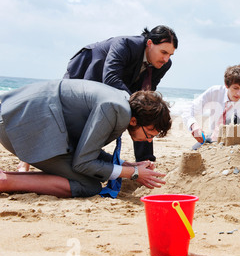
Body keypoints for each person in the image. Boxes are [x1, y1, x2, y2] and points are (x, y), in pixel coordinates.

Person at [0, 79, 172, 198]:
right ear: (135, 121)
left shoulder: (122, 102)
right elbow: (82, 162)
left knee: (91, 177)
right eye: (150, 134)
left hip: (25, 117)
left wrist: (126, 165)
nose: (149, 140)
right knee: (88, 185)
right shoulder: (114, 109)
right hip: (21, 126)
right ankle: (6, 181)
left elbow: (88, 149)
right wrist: (133, 174)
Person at [64, 25, 178, 163]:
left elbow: (146, 102)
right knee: (71, 118)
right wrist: (135, 104)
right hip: (89, 70)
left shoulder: (164, 64)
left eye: (170, 55)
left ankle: (145, 159)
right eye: (163, 52)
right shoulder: (125, 44)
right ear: (149, 43)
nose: (166, 59)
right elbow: (111, 78)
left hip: (126, 79)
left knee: (145, 111)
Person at [182, 65, 240, 149]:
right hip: (212, 139)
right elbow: (189, 109)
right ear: (227, 84)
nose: (239, 94)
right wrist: (194, 125)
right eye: (235, 88)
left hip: (234, 145)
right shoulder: (214, 92)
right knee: (191, 154)